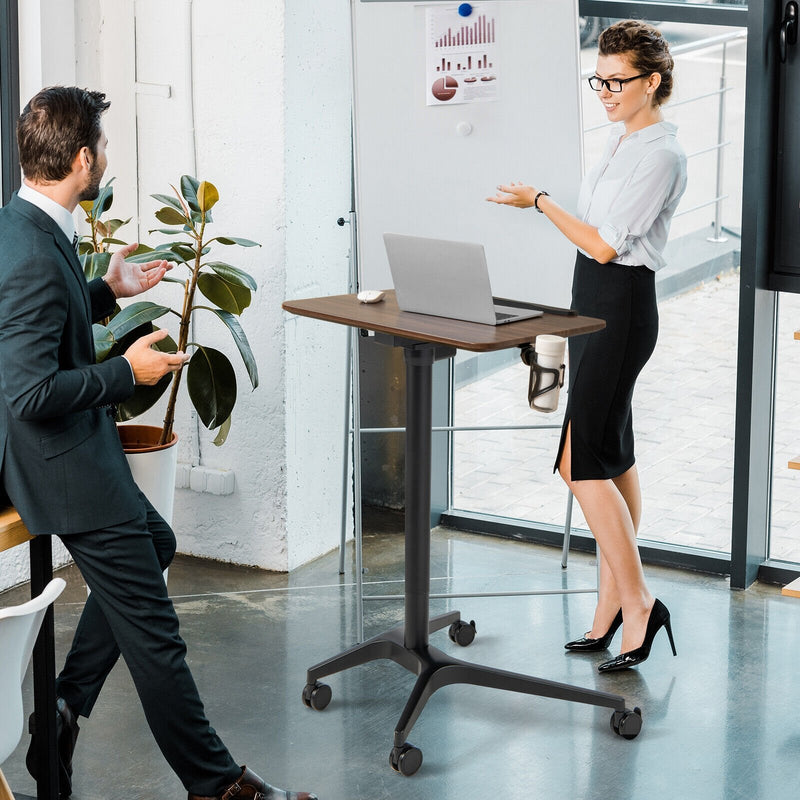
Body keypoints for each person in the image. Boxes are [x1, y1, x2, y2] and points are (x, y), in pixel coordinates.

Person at [0, 87, 317, 800]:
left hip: (77, 448)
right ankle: (217, 786)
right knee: (156, 635)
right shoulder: (28, 249)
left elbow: (46, 314)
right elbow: (26, 392)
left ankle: (62, 707)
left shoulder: (24, 223)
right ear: (84, 160)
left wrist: (106, 290)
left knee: (159, 543)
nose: (105, 158)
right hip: (58, 464)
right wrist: (126, 372)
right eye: (103, 148)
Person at [487, 21, 687, 673]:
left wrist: (540, 201)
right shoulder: (621, 139)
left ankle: (640, 604)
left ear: (651, 82)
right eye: (597, 79)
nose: (603, 91)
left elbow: (604, 244)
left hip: (621, 306)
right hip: (594, 302)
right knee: (612, 454)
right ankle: (610, 607)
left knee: (580, 463)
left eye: (616, 81)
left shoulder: (659, 153)